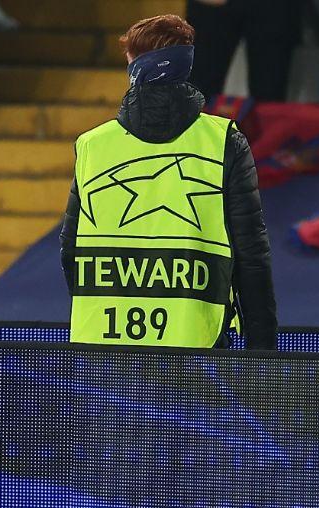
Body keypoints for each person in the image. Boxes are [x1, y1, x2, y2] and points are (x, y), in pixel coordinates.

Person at [57, 14, 277, 350]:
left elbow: (70, 250)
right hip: (200, 343)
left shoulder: (92, 144)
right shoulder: (222, 141)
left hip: (106, 346)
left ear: (136, 67)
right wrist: (262, 347)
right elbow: (251, 253)